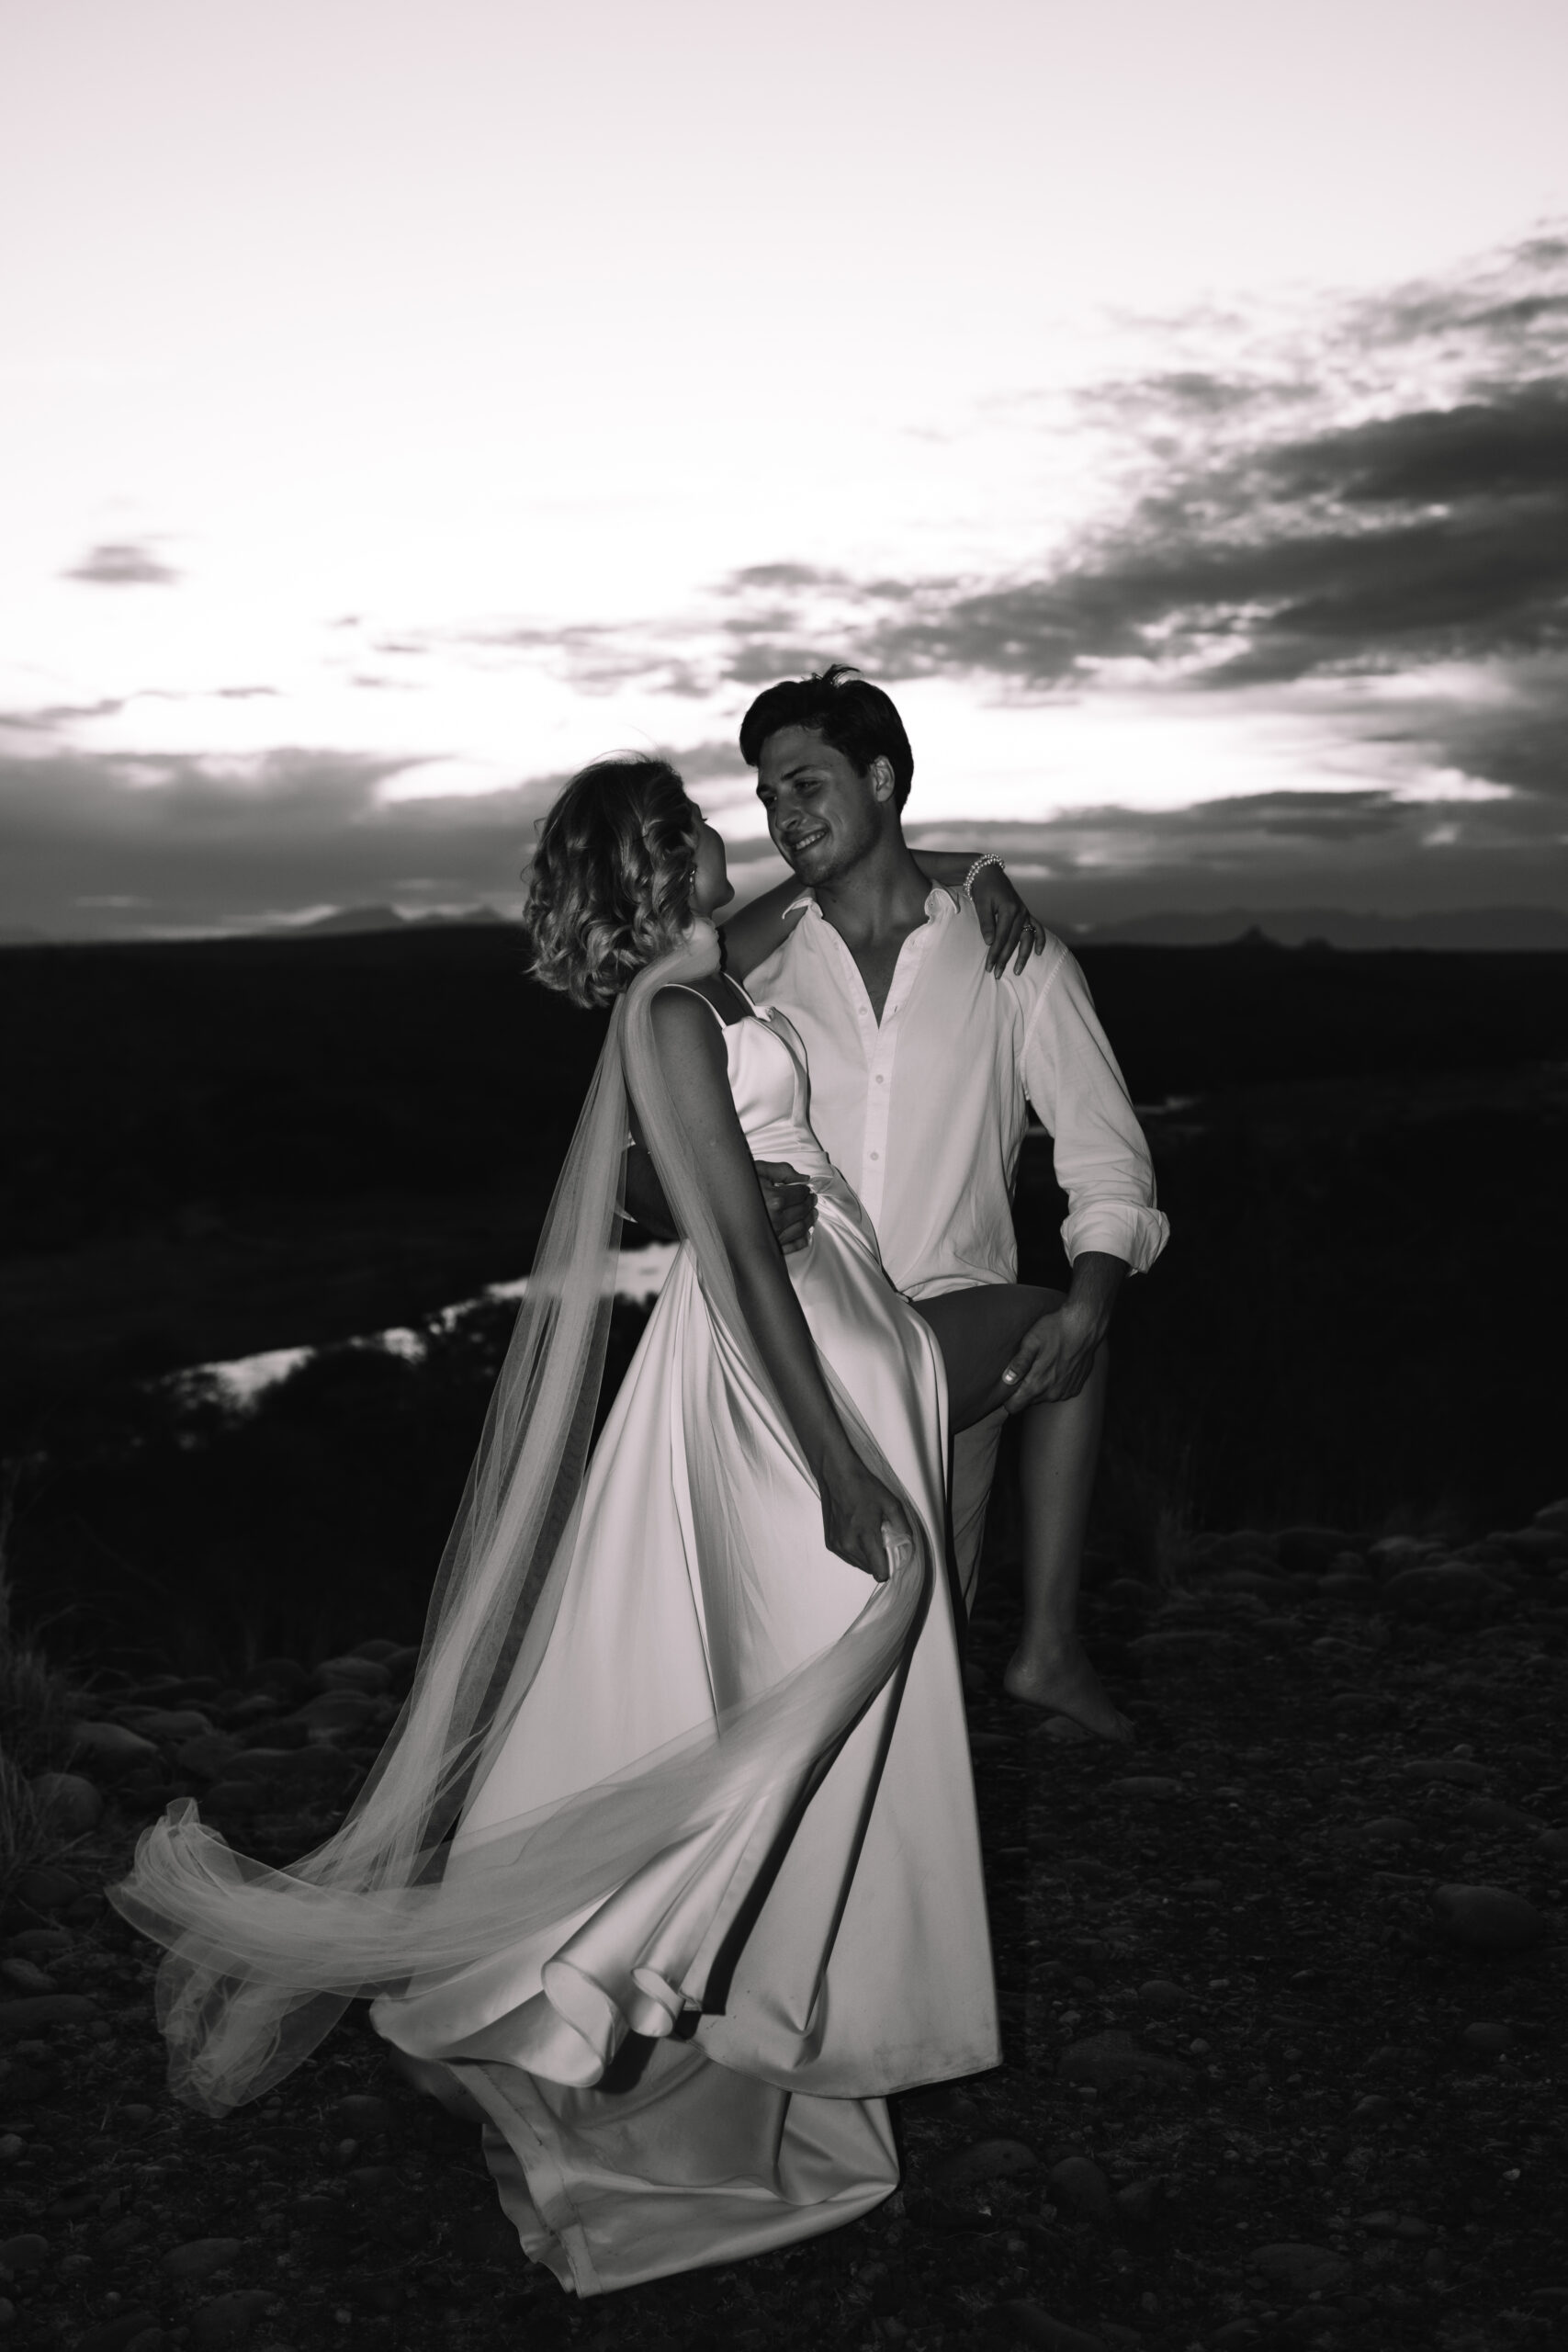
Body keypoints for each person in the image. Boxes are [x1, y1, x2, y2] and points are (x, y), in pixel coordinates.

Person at [110, 755, 1076, 2297]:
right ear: (654, 865)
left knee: (801, 1687)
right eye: (693, 828)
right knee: (811, 1670)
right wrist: (831, 1462)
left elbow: (817, 896)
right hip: (791, 1376)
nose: (723, 837)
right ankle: (584, 2002)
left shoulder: (706, 979)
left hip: (844, 1336)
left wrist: (961, 879)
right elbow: (739, 1269)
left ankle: (747, 2010)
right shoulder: (675, 1019)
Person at [715, 667, 1169, 1742]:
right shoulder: (754, 977)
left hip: (954, 1361)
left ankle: (1046, 1648)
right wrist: (733, 1200)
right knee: (791, 1687)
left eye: (806, 783)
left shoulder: (1014, 957)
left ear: (881, 777)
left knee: (917, 1692)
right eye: (769, 796)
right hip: (794, 1361)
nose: (784, 816)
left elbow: (1108, 1158)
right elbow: (657, 1144)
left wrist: (1090, 1310)